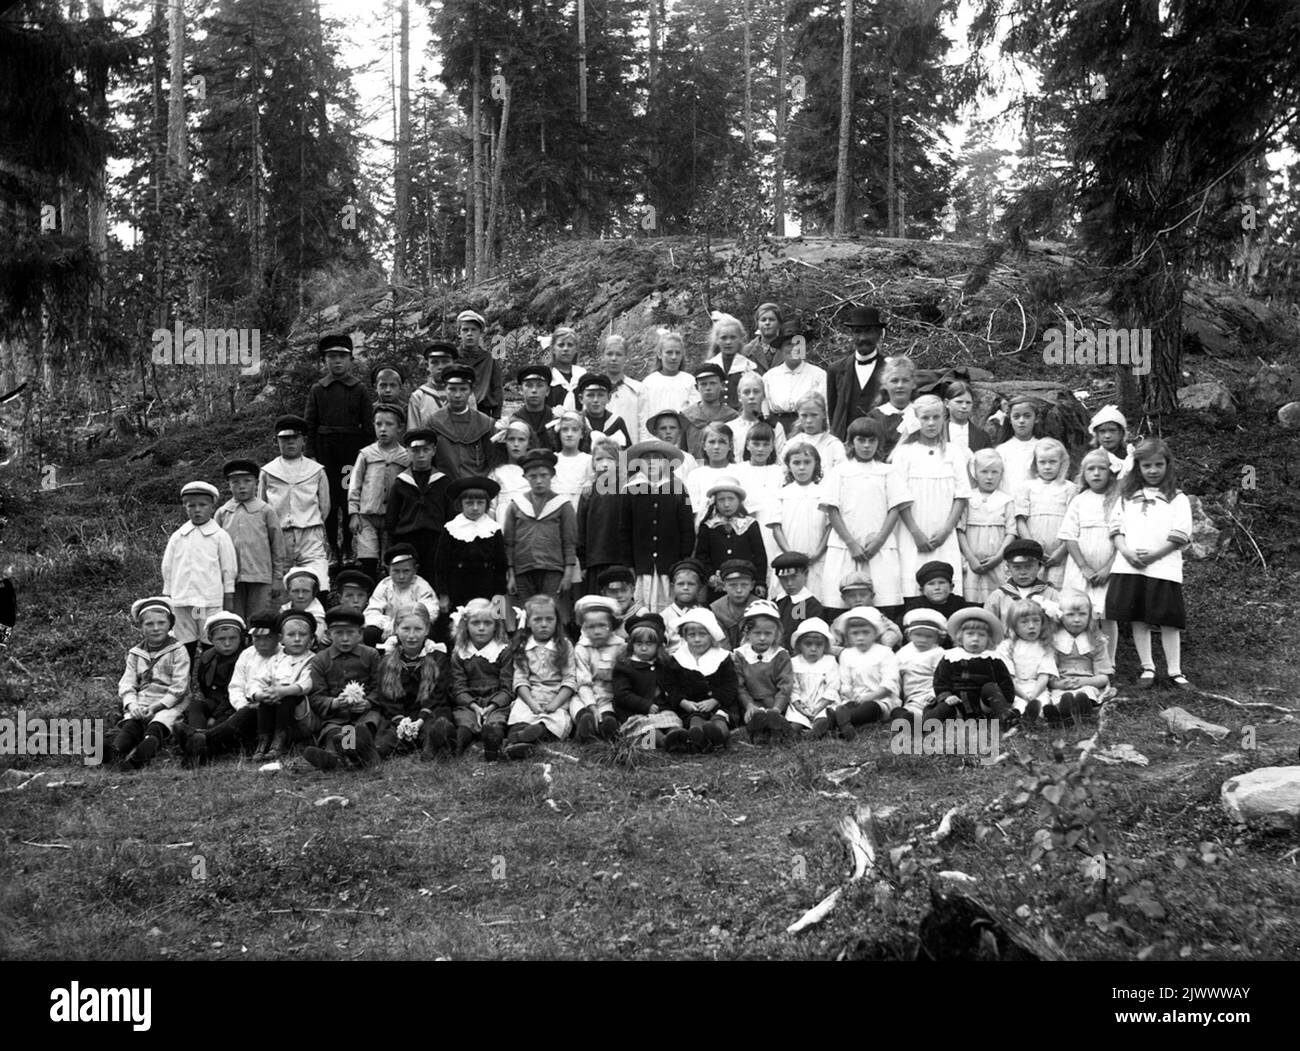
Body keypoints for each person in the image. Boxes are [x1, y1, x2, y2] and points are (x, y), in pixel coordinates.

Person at [1105, 437, 1192, 688]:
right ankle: (1147, 668)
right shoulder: (1127, 496)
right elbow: (1115, 528)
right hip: (1129, 565)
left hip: (1163, 566)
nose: (1153, 471)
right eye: (1147, 466)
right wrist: (1127, 552)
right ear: (1138, 468)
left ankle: (1175, 671)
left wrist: (1153, 556)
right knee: (1138, 616)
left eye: (1158, 465)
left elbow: (1181, 534)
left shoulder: (1177, 498)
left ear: (1167, 465)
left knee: (1168, 618)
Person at [819, 417, 908, 615]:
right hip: (845, 546)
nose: (867, 446)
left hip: (879, 547)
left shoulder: (888, 471)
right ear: (851, 443)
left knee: (883, 602)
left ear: (879, 443)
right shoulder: (840, 471)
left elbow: (895, 508)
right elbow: (831, 510)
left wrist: (878, 542)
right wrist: (851, 543)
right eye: (861, 440)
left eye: (872, 441)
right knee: (839, 605)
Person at [891, 394, 971, 600]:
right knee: (911, 585)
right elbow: (899, 496)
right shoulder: (903, 453)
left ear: (943, 418)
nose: (931, 423)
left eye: (936, 417)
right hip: (912, 531)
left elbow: (961, 496)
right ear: (916, 420)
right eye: (925, 418)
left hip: (943, 530)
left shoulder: (954, 452)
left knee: (944, 587)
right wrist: (915, 532)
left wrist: (946, 530)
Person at [304, 333, 372, 562]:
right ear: (324, 361)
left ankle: (349, 547)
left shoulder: (359, 389)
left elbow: (368, 425)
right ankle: (332, 546)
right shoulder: (318, 390)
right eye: (332, 357)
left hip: (351, 453)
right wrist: (311, 456)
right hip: (326, 453)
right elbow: (310, 425)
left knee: (348, 499)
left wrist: (368, 456)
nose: (337, 361)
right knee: (329, 502)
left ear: (351, 360)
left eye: (342, 356)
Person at [108, 597, 191, 771]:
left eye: (161, 623)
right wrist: (132, 705)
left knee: (158, 725)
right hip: (142, 701)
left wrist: (155, 708)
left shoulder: (178, 651)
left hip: (168, 703)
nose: (155, 628)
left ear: (170, 624)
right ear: (140, 626)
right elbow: (127, 683)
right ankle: (115, 752)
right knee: (132, 724)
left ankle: (141, 756)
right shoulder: (135, 653)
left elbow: (179, 687)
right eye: (149, 624)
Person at [1058, 448, 1120, 662]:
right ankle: (1082, 657)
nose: (1096, 473)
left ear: (1111, 472)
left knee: (1108, 615)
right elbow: (1069, 535)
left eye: (1101, 469)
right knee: (1080, 612)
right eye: (1090, 469)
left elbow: (1124, 537)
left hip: (1109, 567)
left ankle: (1109, 661)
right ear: (1083, 474)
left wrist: (1108, 568)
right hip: (1080, 569)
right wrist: (1084, 566)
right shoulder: (1079, 500)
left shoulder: (1118, 500)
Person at [161, 480, 237, 654]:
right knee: (185, 639)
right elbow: (168, 566)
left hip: (206, 600)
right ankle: (183, 675)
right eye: (191, 506)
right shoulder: (179, 536)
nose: (197, 510)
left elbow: (229, 566)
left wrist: (229, 593)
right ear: (185, 507)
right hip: (183, 599)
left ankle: (207, 675)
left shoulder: (219, 536)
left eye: (202, 505)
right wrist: (168, 593)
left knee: (208, 635)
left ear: (212, 507)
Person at [302, 607, 382, 770]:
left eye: (350, 633)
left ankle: (347, 756)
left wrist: (368, 703)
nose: (345, 639)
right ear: (329, 634)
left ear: (360, 634)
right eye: (338, 633)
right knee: (334, 732)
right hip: (336, 716)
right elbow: (316, 695)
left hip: (365, 714)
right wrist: (335, 703)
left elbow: (379, 687)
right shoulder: (320, 660)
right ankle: (338, 758)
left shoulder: (371, 655)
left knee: (362, 729)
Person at [620, 439, 694, 613]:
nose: (652, 463)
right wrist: (628, 562)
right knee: (642, 603)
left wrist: (683, 559)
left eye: (657, 458)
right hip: (642, 562)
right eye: (647, 459)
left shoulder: (678, 489)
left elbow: (687, 527)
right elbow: (624, 529)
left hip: (670, 560)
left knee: (668, 604)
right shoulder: (631, 489)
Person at [259, 414, 331, 591]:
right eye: (284, 439)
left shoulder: (316, 471)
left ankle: (318, 615)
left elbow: (325, 505)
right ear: (277, 441)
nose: (290, 443)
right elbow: (262, 505)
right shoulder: (268, 471)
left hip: (310, 533)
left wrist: (312, 522)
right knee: (281, 582)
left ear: (303, 440)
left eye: (294, 438)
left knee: (318, 580)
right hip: (280, 535)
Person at [374, 606, 453, 759]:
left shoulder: (437, 657)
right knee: (385, 742)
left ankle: (431, 747)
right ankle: (367, 752)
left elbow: (438, 693)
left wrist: (420, 720)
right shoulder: (388, 659)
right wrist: (401, 721)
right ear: (396, 628)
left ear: (427, 629)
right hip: (399, 714)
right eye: (405, 629)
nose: (411, 636)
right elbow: (386, 697)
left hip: (428, 711)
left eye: (418, 629)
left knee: (435, 726)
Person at [506, 594, 577, 758]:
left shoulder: (564, 645)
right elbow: (521, 678)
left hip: (557, 695)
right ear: (528, 622)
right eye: (538, 620)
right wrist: (531, 702)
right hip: (531, 695)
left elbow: (569, 678)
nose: (544, 624)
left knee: (558, 721)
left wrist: (555, 703)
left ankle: (533, 734)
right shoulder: (523, 646)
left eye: (549, 619)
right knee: (519, 715)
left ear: (556, 621)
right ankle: (520, 735)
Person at [503, 448, 578, 605]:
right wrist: (511, 574)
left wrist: (568, 573)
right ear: (525, 477)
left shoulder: (563, 505)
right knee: (526, 614)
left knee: (550, 611)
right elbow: (508, 544)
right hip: (522, 570)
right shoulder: (516, 505)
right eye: (533, 476)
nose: (538, 481)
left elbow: (569, 542)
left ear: (552, 475)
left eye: (543, 475)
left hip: (553, 570)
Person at [216, 459, 286, 620]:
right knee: (234, 617)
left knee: (259, 617)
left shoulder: (265, 511)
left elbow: (277, 546)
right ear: (229, 484)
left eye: (247, 481)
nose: (242, 486)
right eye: (235, 482)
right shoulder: (222, 513)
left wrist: (277, 578)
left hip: (261, 575)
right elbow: (215, 548)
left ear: (256, 482)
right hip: (231, 579)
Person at [348, 402, 411, 582]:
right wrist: (353, 512)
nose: (383, 429)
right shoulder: (366, 454)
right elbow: (355, 483)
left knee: (390, 558)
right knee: (368, 558)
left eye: (389, 424)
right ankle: (368, 594)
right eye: (378, 424)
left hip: (393, 518)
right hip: (367, 515)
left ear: (400, 428)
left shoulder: (406, 456)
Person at [612, 612, 690, 752]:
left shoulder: (663, 664)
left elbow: (671, 686)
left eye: (649, 644)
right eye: (639, 643)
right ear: (631, 645)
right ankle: (663, 741)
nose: (643, 648)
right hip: (635, 712)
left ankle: (676, 736)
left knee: (671, 719)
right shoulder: (625, 666)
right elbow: (621, 694)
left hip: (661, 710)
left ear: (658, 645)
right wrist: (644, 705)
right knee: (646, 727)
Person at [929, 607, 1019, 727]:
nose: (975, 639)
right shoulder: (951, 657)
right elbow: (940, 681)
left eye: (981, 635)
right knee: (943, 709)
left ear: (988, 639)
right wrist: (947, 696)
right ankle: (922, 724)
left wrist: (1005, 702)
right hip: (958, 704)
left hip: (984, 705)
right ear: (961, 637)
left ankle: (1006, 719)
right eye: (970, 634)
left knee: (990, 687)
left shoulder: (993, 659)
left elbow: (1005, 682)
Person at [177, 610, 247, 763]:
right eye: (221, 639)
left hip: (233, 703)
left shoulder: (245, 658)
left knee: (219, 724)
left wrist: (214, 716)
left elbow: (238, 691)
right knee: (196, 706)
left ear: (240, 638)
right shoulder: (207, 657)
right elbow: (204, 686)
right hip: (214, 700)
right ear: (211, 639)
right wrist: (210, 709)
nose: (227, 643)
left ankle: (198, 746)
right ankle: (197, 737)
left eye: (232, 638)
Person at [449, 598, 514, 760]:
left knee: (497, 719)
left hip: (496, 700)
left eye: (488, 623)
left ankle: (492, 743)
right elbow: (458, 686)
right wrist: (473, 706)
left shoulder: (503, 650)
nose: (481, 628)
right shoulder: (460, 652)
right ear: (466, 625)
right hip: (470, 701)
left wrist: (492, 705)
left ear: (496, 626)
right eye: (475, 623)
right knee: (464, 719)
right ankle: (457, 745)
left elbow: (507, 687)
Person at [384, 427, 451, 581]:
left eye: (425, 450)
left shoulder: (443, 481)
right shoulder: (401, 482)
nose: (421, 455)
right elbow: (391, 518)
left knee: (434, 576)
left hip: (435, 539)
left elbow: (450, 515)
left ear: (433, 451)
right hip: (407, 538)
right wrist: (391, 545)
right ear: (407, 451)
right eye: (415, 450)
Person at [250, 609, 317, 759]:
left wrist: (283, 691)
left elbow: (306, 684)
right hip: (274, 706)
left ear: (311, 639)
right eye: (291, 635)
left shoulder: (312, 660)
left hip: (299, 713)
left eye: (303, 635)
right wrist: (260, 694)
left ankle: (280, 740)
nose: (297, 639)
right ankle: (264, 740)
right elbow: (258, 679)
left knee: (287, 697)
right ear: (281, 638)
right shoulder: (275, 659)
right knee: (266, 698)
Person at [672, 608, 741, 751]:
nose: (697, 639)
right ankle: (698, 739)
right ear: (684, 636)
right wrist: (683, 702)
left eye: (702, 634)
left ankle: (718, 737)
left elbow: (731, 684)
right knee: (695, 720)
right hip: (693, 706)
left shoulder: (722, 658)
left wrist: (715, 700)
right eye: (692, 635)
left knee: (719, 719)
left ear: (711, 636)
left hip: (720, 704)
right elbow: (672, 686)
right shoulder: (677, 659)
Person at [435, 476, 508, 611]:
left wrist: (499, 594)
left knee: (492, 623)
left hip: (488, 588)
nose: (475, 508)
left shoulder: (493, 528)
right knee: (459, 623)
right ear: (460, 504)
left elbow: (501, 564)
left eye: (480, 503)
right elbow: (441, 564)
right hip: (458, 588)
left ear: (487, 504)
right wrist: (444, 594)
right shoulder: (451, 528)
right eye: (469, 503)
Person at [770, 443, 830, 601]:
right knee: (791, 601)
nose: (802, 468)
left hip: (816, 559)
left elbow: (830, 527)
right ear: (789, 466)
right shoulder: (782, 494)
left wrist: (817, 554)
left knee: (814, 599)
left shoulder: (824, 493)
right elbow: (776, 528)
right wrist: (791, 555)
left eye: (807, 462)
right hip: (788, 556)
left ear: (816, 465)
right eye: (796, 463)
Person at [693, 478, 767, 604]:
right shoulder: (708, 527)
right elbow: (702, 556)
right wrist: (710, 576)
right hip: (718, 587)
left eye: (731, 499)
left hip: (745, 586)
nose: (726, 504)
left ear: (739, 501)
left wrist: (760, 582)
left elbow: (760, 555)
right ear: (715, 502)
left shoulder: (750, 525)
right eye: (721, 500)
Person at [731, 598, 794, 744]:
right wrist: (749, 705)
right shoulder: (740, 655)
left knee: (773, 718)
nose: (762, 638)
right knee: (756, 718)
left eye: (768, 633)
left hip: (775, 702)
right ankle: (758, 731)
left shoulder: (780, 655)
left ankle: (777, 728)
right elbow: (739, 685)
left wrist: (777, 708)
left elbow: (785, 686)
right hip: (751, 703)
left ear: (776, 634)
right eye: (757, 633)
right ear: (747, 633)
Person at [831, 606, 900, 737]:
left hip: (880, 699)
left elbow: (889, 684)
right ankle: (844, 723)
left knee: (870, 708)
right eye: (855, 633)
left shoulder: (885, 652)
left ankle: (838, 722)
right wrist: (852, 696)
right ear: (848, 636)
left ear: (875, 633)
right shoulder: (846, 654)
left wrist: (869, 697)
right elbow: (845, 682)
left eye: (865, 632)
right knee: (847, 706)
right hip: (854, 699)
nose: (860, 637)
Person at [958, 449, 1016, 605]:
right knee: (971, 600)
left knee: (998, 600)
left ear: (1001, 474)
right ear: (975, 473)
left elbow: (1011, 532)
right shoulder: (968, 498)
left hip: (997, 561)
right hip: (973, 562)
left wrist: (998, 558)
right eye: (984, 472)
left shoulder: (1006, 500)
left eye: (994, 472)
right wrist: (971, 558)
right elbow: (960, 530)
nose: (989, 477)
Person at [1015, 438, 1074, 588]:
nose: (1047, 467)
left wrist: (1061, 552)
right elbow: (1021, 520)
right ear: (1035, 463)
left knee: (1057, 593)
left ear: (1062, 463)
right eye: (1042, 462)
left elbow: (1073, 524)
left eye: (1053, 462)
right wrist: (1033, 549)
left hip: (1060, 554)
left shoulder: (1070, 488)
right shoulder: (1027, 487)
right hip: (1033, 553)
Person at [1047, 591, 1114, 723]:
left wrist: (1083, 682)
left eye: (1082, 614)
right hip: (1062, 684)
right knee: (1060, 696)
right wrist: (1059, 684)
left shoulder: (1096, 640)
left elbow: (1103, 677)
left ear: (1089, 616)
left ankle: (1083, 709)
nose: (1077, 619)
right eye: (1070, 615)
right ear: (1061, 617)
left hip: (1089, 682)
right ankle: (1065, 711)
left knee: (1086, 693)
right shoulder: (1054, 641)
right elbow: (1048, 674)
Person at [224, 609, 282, 759]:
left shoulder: (284, 656)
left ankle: (202, 741)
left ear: (278, 636)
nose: (262, 643)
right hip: (243, 708)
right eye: (257, 638)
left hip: (270, 712)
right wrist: (242, 706)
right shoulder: (247, 654)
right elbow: (236, 686)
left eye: (268, 637)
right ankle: (200, 742)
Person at [570, 595, 626, 743]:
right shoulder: (582, 648)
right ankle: (584, 726)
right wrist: (592, 706)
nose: (597, 631)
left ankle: (608, 726)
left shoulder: (620, 646)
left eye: (602, 625)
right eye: (591, 627)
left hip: (609, 695)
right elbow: (582, 681)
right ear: (584, 628)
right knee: (578, 708)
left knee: (608, 713)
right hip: (585, 694)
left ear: (612, 625)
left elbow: (624, 676)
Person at [827, 304, 887, 441]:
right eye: (858, 332)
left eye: (869, 331)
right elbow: (833, 413)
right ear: (852, 334)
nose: (862, 338)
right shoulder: (835, 370)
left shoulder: (890, 369)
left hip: (879, 444)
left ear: (879, 333)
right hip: (845, 444)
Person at [428, 363, 496, 480]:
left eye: (463, 389)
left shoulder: (485, 424)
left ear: (471, 391)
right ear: (445, 389)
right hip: (445, 488)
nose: (458, 395)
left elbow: (493, 462)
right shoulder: (433, 423)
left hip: (477, 489)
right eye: (452, 389)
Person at [362, 543, 439, 645]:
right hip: (387, 630)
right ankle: (378, 657)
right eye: (396, 571)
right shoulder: (384, 585)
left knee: (428, 633)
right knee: (370, 633)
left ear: (415, 569)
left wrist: (400, 625)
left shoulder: (421, 586)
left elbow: (430, 611)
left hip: (413, 628)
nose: (401, 576)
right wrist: (387, 624)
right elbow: (371, 612)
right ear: (388, 570)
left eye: (406, 571)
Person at [576, 442, 624, 596]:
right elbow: (581, 529)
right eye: (599, 459)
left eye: (610, 459)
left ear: (618, 463)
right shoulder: (588, 493)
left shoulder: (627, 489)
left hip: (620, 559)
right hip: (596, 560)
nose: (604, 464)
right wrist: (583, 562)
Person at [997, 598, 1058, 720]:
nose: (1031, 626)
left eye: (1036, 621)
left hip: (1037, 687)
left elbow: (1044, 675)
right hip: (1016, 688)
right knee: (1019, 704)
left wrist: (1034, 694)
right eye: (1024, 622)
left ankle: (1045, 715)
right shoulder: (1007, 646)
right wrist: (1024, 696)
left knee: (1043, 702)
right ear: (1014, 626)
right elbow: (1008, 678)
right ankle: (1021, 716)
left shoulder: (1045, 646)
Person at [763, 320, 826, 437]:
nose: (794, 348)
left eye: (798, 344)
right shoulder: (770, 377)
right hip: (777, 430)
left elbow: (825, 409)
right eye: (788, 344)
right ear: (781, 348)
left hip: (808, 429)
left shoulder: (818, 375)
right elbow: (765, 409)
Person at [983, 538, 1062, 626]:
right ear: (1008, 568)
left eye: (1029, 567)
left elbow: (1060, 624)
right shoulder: (998, 597)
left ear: (1039, 566)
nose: (1023, 572)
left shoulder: (1052, 594)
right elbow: (988, 627)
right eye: (1017, 567)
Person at [889, 608, 946, 723]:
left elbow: (943, 678)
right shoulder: (903, 652)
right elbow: (895, 674)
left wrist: (933, 693)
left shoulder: (939, 653)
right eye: (918, 635)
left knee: (931, 708)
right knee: (896, 709)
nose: (923, 640)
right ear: (909, 635)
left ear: (938, 638)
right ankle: (907, 717)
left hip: (930, 693)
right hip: (910, 694)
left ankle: (918, 720)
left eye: (929, 636)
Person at [787, 618, 840, 738]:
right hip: (802, 703)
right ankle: (792, 732)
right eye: (808, 644)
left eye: (819, 645)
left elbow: (833, 686)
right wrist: (798, 705)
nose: (813, 649)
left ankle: (816, 732)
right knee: (795, 723)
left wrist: (819, 706)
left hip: (823, 702)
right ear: (799, 645)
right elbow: (793, 688)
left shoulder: (829, 662)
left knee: (823, 718)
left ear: (825, 645)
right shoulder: (794, 663)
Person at [640, 329, 698, 426]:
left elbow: (695, 414)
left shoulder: (690, 381)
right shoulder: (649, 382)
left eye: (677, 353)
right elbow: (643, 415)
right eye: (669, 352)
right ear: (659, 354)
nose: (674, 357)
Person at [685, 421, 738, 528]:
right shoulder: (695, 475)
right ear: (704, 445)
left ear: (730, 446)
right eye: (712, 442)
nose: (716, 447)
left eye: (722, 442)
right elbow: (692, 509)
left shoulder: (740, 471)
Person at [704, 311, 763, 407]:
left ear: (740, 338)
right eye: (724, 338)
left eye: (733, 337)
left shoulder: (749, 367)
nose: (728, 342)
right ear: (717, 340)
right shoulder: (709, 367)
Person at [865, 356, 919, 460]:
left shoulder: (921, 414)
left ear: (914, 384)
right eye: (894, 381)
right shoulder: (875, 417)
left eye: (905, 380)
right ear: (885, 384)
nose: (900, 385)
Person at [683, 362, 739, 458]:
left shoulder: (732, 417)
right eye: (703, 384)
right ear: (697, 387)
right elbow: (682, 449)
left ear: (722, 385)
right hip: (695, 468)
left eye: (713, 383)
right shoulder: (687, 416)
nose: (708, 388)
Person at [455, 309, 504, 418]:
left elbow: (497, 388)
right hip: (456, 411)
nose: (469, 334)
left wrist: (496, 417)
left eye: (474, 330)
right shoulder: (453, 358)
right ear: (459, 333)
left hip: (483, 412)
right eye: (465, 330)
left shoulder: (489, 359)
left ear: (480, 333)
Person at [784, 392, 846, 474]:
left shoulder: (834, 444)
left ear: (823, 414)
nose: (809, 420)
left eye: (814, 415)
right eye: (804, 415)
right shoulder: (791, 444)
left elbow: (841, 474)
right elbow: (784, 472)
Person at [729, 371, 788, 456]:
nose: (751, 396)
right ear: (739, 396)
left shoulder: (775, 427)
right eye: (746, 392)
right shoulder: (731, 428)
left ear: (763, 395)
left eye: (756, 392)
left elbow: (781, 458)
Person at [406, 341, 461, 430]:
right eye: (434, 362)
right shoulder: (419, 396)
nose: (440, 367)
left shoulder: (465, 394)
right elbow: (413, 431)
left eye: (445, 362)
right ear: (427, 366)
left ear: (454, 364)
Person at [600, 334, 646, 439]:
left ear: (626, 357)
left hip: (628, 451)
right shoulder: (594, 389)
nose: (614, 358)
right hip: (601, 450)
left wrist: (643, 452)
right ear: (603, 356)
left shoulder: (638, 389)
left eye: (619, 354)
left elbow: (643, 424)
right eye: (609, 354)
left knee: (623, 456)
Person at [771, 551, 824, 641]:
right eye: (784, 579)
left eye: (794, 577)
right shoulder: (774, 604)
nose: (789, 583)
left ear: (806, 574)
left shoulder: (812, 606)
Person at [995, 395, 1041, 497]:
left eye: (1027, 416)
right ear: (1010, 420)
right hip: (1008, 504)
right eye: (1016, 416)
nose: (1021, 421)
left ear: (1036, 418)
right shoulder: (1002, 450)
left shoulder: (1043, 448)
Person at [709, 559, 760, 649]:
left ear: (752, 585)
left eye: (744, 585)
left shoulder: (760, 607)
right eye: (732, 585)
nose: (739, 590)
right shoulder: (716, 609)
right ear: (724, 586)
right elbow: (721, 643)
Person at [574, 373, 632, 449]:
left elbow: (625, 455)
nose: (595, 400)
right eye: (590, 395)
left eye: (601, 395)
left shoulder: (617, 422)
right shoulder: (576, 421)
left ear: (609, 397)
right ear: (581, 398)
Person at [490, 419, 532, 524]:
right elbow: (491, 507)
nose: (516, 444)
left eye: (521, 440)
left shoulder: (533, 472)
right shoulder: (497, 472)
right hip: (504, 521)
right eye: (511, 439)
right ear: (504, 442)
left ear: (529, 443)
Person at [551, 410, 594, 510]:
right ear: (559, 433)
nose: (569, 434)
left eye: (574, 430)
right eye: (565, 429)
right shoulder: (552, 460)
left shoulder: (588, 461)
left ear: (582, 434)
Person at [661, 558, 706, 647]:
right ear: (672, 586)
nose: (685, 588)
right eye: (681, 584)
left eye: (691, 584)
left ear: (699, 587)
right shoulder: (664, 616)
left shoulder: (705, 615)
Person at [280, 568, 328, 647]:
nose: (300, 596)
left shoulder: (318, 615)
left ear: (314, 592)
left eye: (306, 591)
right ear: (288, 592)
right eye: (295, 591)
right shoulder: (283, 610)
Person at [511, 364, 555, 449]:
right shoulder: (514, 422)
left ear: (547, 391)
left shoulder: (555, 420)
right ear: (520, 390)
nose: (534, 390)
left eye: (539, 385)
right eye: (529, 385)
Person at [943, 379, 992, 457]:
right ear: (947, 403)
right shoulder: (936, 434)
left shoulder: (983, 436)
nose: (964, 406)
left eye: (968, 402)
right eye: (959, 402)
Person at [545, 326, 588, 411]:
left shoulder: (582, 375)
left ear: (576, 349)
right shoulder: (547, 375)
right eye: (561, 345)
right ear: (553, 349)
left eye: (570, 345)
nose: (565, 349)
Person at [645, 408, 699, 474]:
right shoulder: (648, 458)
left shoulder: (688, 459)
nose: (668, 432)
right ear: (656, 432)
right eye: (663, 428)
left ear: (679, 431)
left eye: (672, 428)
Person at [1088, 404, 1135, 478]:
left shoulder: (1130, 455)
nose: (1107, 436)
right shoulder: (1092, 458)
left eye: (1112, 430)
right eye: (1102, 431)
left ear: (1121, 432)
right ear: (1096, 434)